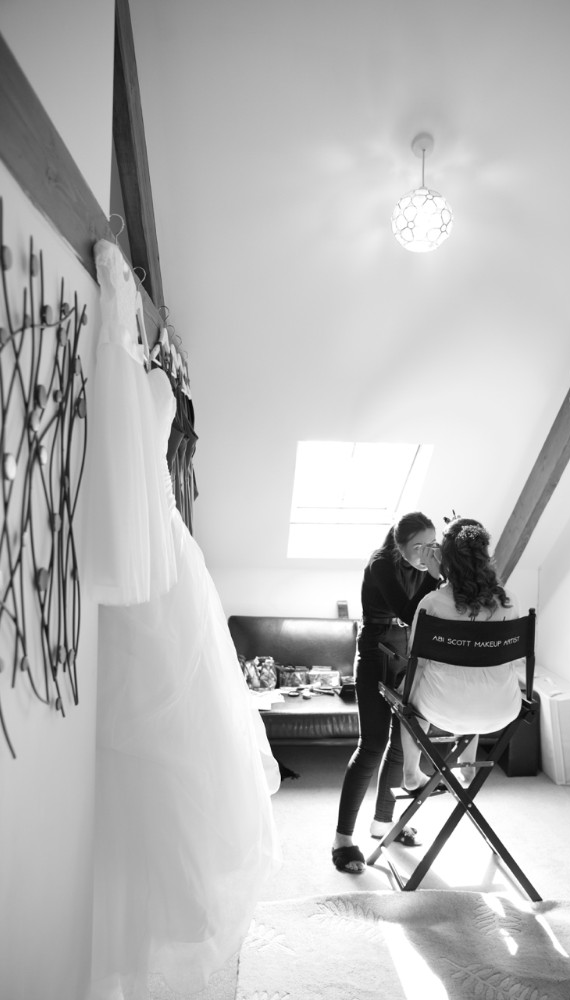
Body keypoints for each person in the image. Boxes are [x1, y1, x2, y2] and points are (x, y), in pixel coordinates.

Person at [88, 239, 281, 1000]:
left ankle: (171, 906)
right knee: (158, 736)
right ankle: (149, 910)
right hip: (153, 545)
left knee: (181, 733)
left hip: (166, 548)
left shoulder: (151, 356)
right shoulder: (124, 342)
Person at [331, 511, 441, 874]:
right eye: (418, 546)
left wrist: (439, 575)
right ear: (399, 544)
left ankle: (383, 822)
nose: (426, 553)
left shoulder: (425, 567)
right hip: (376, 651)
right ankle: (342, 839)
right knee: (373, 744)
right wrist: (435, 576)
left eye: (432, 544)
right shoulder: (381, 563)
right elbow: (411, 611)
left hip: (409, 652)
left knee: (401, 743)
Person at [400, 517, 523, 792]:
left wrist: (402, 692)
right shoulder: (510, 601)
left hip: (442, 710)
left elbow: (417, 661)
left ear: (446, 558)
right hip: (502, 708)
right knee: (478, 676)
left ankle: (411, 771)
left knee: (407, 695)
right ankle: (467, 766)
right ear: (485, 557)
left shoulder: (432, 603)